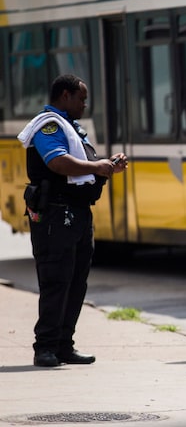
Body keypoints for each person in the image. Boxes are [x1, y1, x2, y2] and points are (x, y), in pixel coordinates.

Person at [17, 74, 128, 368]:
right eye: (81, 98)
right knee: (57, 281)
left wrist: (107, 167)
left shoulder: (71, 127)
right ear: (65, 95)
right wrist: (96, 166)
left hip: (77, 213)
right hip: (56, 215)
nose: (84, 104)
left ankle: (64, 345)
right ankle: (46, 348)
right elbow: (57, 162)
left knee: (77, 283)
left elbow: (81, 167)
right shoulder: (49, 125)